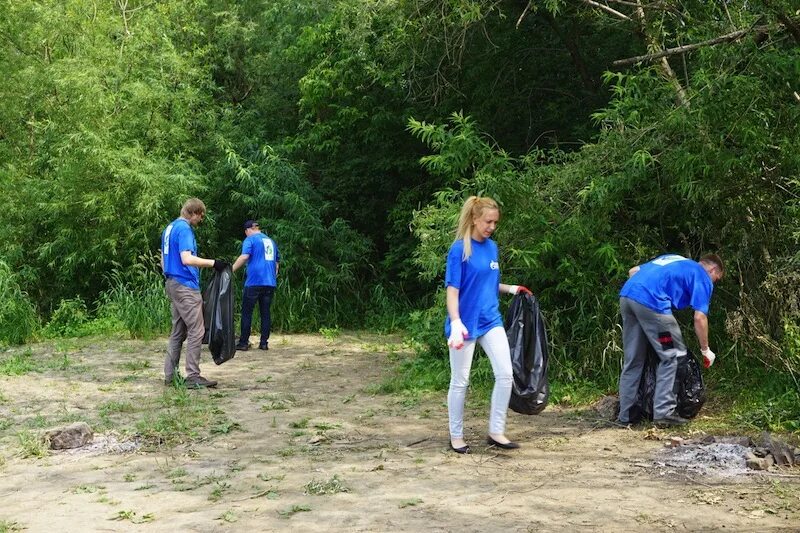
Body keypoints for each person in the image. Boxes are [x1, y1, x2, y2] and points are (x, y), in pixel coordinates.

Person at [444, 196, 532, 454]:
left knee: (505, 374)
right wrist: (456, 321)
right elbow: (452, 291)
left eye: (495, 222)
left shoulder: (492, 248)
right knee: (460, 381)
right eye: (488, 221)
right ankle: (456, 435)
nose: (492, 226)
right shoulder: (459, 250)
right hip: (465, 323)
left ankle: (496, 431)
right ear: (474, 218)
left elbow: (489, 284)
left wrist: (512, 289)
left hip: (490, 319)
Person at [617, 253, 724, 427]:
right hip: (652, 303)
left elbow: (633, 271)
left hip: (628, 297)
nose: (713, 283)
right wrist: (705, 349)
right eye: (716, 279)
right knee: (673, 356)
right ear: (712, 269)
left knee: (633, 360)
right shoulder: (702, 275)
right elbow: (699, 317)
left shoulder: (674, 259)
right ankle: (664, 413)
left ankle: (625, 416)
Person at [160, 198, 228, 388]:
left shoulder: (169, 229)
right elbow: (187, 258)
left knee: (178, 332)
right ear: (193, 213)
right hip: (185, 285)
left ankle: (170, 376)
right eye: (200, 217)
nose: (200, 221)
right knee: (197, 330)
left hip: (172, 282)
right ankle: (193, 375)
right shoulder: (184, 229)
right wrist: (214, 263)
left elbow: (163, 261)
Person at [232, 220, 280, 351]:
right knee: (265, 313)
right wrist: (271, 276)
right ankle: (264, 343)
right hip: (269, 283)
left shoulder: (250, 240)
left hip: (254, 282)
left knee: (247, 312)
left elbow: (244, 257)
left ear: (248, 230)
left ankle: (243, 342)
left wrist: (230, 271)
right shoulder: (271, 241)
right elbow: (276, 264)